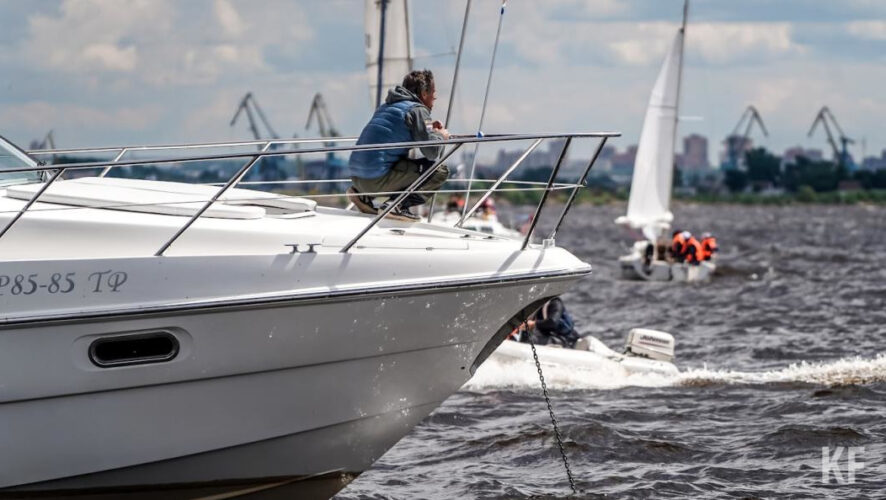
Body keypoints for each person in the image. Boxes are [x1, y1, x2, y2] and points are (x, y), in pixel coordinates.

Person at [347, 69, 450, 221]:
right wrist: (441, 136)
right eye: (433, 92)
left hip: (357, 178)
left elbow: (401, 132)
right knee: (439, 171)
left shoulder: (386, 106)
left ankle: (366, 199)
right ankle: (397, 206)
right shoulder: (418, 110)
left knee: (403, 163)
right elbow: (432, 152)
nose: (435, 97)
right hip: (376, 181)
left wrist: (430, 131)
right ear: (423, 93)